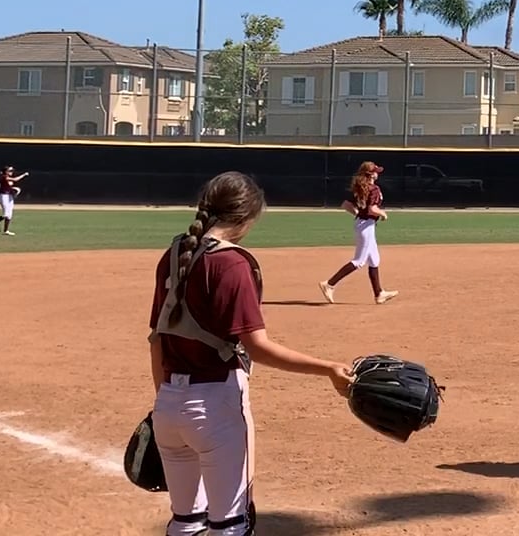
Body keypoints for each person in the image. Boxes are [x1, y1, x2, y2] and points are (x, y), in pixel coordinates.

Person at [148, 171, 353, 536]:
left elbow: (156, 340)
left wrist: (165, 402)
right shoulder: (232, 263)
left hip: (168, 405)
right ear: (246, 216)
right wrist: (328, 369)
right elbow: (258, 346)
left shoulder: (174, 254)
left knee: (186, 522)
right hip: (215, 407)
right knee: (230, 525)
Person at [319, 162, 398, 305]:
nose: (377, 173)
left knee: (374, 259)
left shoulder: (360, 187)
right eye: (375, 171)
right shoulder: (373, 189)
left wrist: (357, 213)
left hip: (362, 224)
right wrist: (383, 214)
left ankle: (379, 293)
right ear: (370, 174)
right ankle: (329, 284)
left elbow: (345, 205)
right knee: (359, 261)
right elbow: (372, 209)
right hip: (366, 226)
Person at [0, 166, 28, 236]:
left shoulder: (8, 178)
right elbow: (15, 179)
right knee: (5, 214)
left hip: (9, 196)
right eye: (10, 171)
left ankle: (6, 230)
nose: (11, 172)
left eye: (12, 171)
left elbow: (9, 187)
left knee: (9, 215)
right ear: (6, 172)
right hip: (3, 196)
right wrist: (24, 175)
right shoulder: (4, 177)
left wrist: (15, 192)